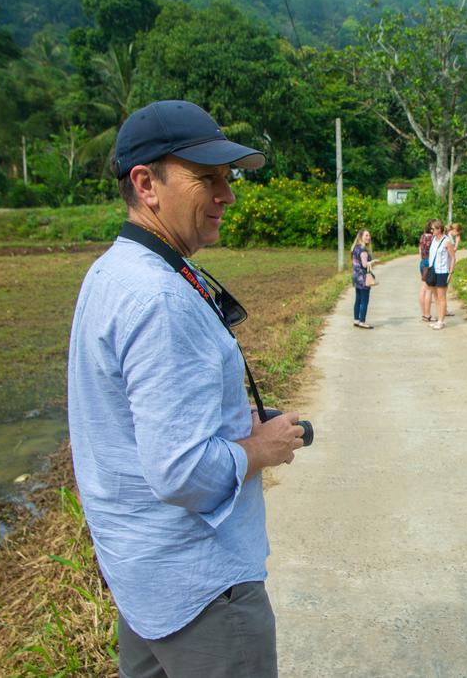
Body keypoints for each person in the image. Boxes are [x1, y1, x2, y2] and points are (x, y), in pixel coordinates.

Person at [67, 100, 306, 678]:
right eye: (207, 178)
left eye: (228, 179)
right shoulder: (161, 299)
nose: (227, 195)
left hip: (142, 579)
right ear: (146, 184)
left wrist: (236, 425)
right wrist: (262, 448)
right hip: (203, 589)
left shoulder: (113, 271)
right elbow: (182, 471)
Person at [426, 224, 456, 330]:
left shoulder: (447, 241)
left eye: (433, 229)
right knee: (436, 298)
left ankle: (441, 321)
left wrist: (450, 273)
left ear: (439, 229)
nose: (431, 230)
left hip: (443, 272)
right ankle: (439, 319)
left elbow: (453, 258)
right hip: (433, 271)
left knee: (442, 298)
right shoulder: (434, 239)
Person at [351, 228, 374, 329]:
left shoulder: (355, 248)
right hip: (363, 278)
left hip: (356, 276)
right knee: (364, 301)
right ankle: (362, 321)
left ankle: (356, 320)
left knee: (358, 299)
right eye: (366, 235)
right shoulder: (363, 250)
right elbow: (365, 265)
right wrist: (373, 262)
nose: (368, 237)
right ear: (361, 237)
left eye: (369, 235)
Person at [418, 219, 439, 322]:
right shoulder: (433, 238)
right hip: (429, 263)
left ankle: (424, 313)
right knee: (429, 290)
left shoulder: (423, 236)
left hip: (422, 262)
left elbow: (419, 251)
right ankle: (427, 315)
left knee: (423, 288)